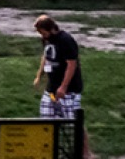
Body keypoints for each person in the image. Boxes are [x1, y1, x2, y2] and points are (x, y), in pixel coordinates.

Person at [34, 14, 91, 158]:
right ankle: (49, 152)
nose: (41, 35)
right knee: (46, 120)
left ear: (51, 28)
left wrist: (64, 87)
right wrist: (39, 75)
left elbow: (72, 65)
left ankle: (85, 153)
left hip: (68, 91)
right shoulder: (46, 40)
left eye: (42, 31)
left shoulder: (66, 40)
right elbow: (46, 56)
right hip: (51, 90)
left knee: (74, 121)